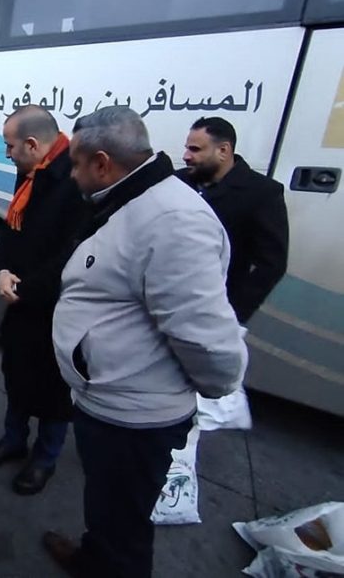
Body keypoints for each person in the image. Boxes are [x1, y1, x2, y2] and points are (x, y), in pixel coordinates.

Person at [44, 107, 247, 578]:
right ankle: (93, 557)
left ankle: (108, 564)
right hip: (108, 404)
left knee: (125, 529)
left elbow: (208, 343)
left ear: (101, 163)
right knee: (107, 508)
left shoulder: (173, 221)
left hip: (134, 421)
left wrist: (213, 390)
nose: (71, 175)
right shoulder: (130, 199)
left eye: (74, 164)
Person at [0, 105, 88, 496]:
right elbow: (12, 228)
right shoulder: (31, 171)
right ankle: (13, 440)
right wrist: (2, 269)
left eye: (10, 146)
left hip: (57, 305)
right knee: (17, 373)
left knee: (54, 388)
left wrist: (27, 289)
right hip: (21, 298)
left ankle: (44, 459)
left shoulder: (76, 176)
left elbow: (74, 253)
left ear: (33, 144)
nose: (7, 154)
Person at [177, 116, 289, 323]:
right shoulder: (176, 182)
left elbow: (271, 264)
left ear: (223, 150)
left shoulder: (262, 193)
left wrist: (232, 314)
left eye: (195, 149)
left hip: (213, 311)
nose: (186, 156)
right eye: (187, 149)